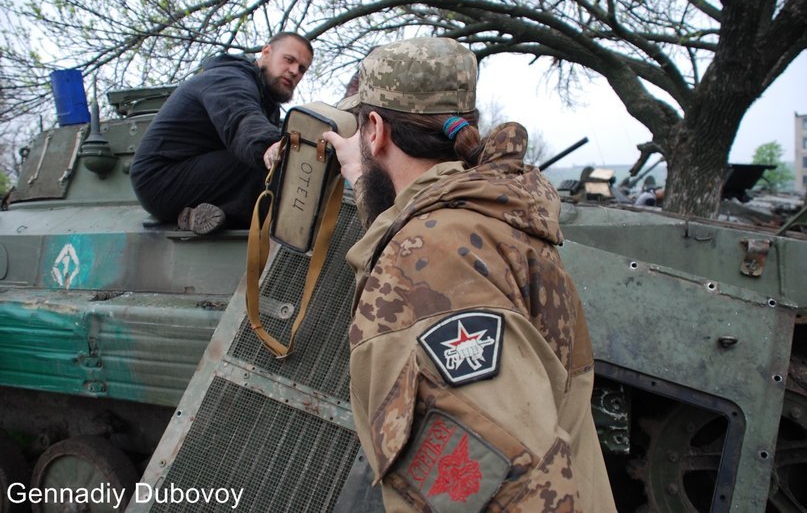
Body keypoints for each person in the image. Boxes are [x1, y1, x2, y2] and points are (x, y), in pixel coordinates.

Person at [324, 37, 616, 512]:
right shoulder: (492, 215)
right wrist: (363, 175)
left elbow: (511, 487)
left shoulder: (431, 264)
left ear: (374, 128)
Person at [130, 32, 314, 234]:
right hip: (160, 180)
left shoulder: (266, 103)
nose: (295, 71)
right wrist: (269, 144)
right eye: (289, 60)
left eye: (302, 69)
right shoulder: (229, 78)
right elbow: (241, 118)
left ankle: (211, 216)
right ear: (266, 52)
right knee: (270, 170)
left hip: (199, 173)